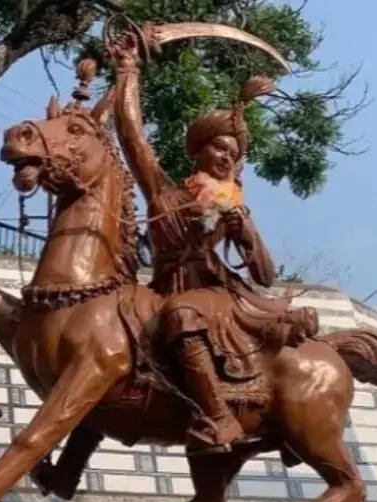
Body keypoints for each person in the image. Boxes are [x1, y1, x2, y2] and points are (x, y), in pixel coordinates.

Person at [108, 30, 318, 453]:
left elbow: (265, 274)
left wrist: (244, 231)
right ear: (199, 150)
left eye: (233, 155)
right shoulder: (163, 192)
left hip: (210, 293)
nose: (226, 158)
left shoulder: (232, 204)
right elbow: (132, 134)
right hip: (161, 286)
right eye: (220, 149)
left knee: (183, 315)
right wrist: (128, 68)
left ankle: (221, 417)